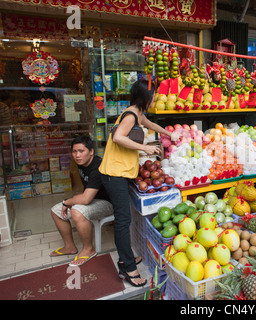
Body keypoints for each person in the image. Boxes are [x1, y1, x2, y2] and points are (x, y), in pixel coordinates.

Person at [99, 79, 180, 287]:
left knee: (124, 218)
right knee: (123, 220)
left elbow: (149, 124)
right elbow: (118, 137)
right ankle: (127, 267)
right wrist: (144, 148)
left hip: (120, 172)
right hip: (114, 174)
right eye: (153, 96)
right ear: (146, 97)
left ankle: (126, 257)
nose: (155, 99)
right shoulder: (130, 115)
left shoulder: (136, 112)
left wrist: (170, 134)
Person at [50, 136, 114, 267]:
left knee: (77, 211)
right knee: (56, 211)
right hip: (93, 198)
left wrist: (67, 202)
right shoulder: (82, 163)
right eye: (74, 151)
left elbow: (86, 198)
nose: (77, 155)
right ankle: (69, 247)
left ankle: (88, 249)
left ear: (91, 151)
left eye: (81, 151)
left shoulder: (97, 167)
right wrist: (68, 202)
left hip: (108, 203)